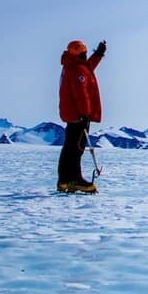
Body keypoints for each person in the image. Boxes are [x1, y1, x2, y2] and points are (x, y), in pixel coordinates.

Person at [57, 38, 106, 193]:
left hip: (72, 114)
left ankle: (64, 180)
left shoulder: (73, 66)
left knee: (70, 147)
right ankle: (74, 179)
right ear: (82, 54)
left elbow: (89, 67)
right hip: (79, 115)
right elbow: (81, 94)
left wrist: (98, 54)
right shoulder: (78, 70)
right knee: (76, 148)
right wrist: (85, 114)